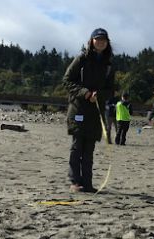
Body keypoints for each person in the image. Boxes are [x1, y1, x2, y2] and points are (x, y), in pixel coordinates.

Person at [63, 28, 114, 193]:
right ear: (91, 41)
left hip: (95, 112)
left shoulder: (109, 65)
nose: (100, 42)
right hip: (78, 109)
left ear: (107, 43)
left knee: (89, 149)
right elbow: (67, 80)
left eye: (103, 40)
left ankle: (87, 182)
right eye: (97, 39)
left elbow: (111, 89)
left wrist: (99, 95)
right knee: (77, 146)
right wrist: (85, 93)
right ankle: (75, 182)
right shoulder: (82, 59)